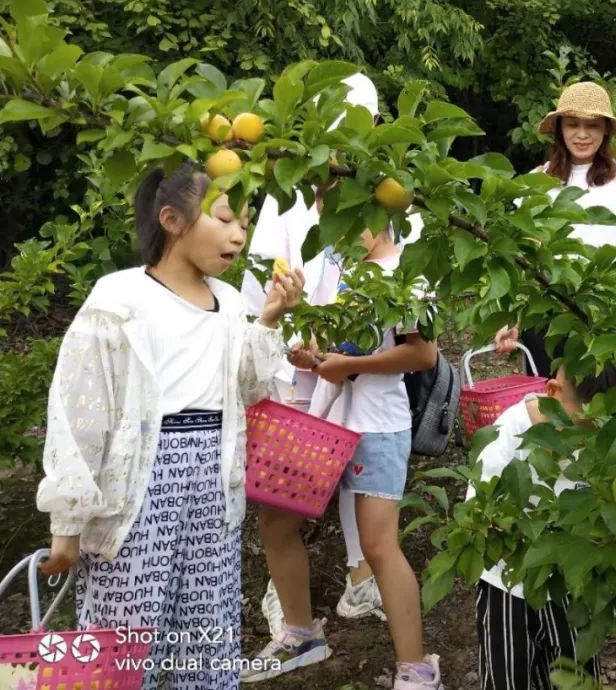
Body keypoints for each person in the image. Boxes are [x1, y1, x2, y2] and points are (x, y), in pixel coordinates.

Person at [36, 162, 304, 690]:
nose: (239, 235)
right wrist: (66, 525)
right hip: (139, 482)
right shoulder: (118, 299)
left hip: (213, 478)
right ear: (172, 220)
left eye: (244, 224)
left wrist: (269, 318)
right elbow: (79, 415)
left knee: (206, 621)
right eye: (226, 218)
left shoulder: (229, 304)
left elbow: (247, 389)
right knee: (126, 628)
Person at [242, 225, 443, 689]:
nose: (338, 229)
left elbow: (423, 355)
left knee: (378, 546)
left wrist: (347, 366)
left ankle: (415, 668)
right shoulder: (352, 270)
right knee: (276, 521)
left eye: (349, 216)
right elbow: (343, 351)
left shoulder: (409, 275)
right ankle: (300, 633)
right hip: (326, 422)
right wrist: (312, 359)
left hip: (376, 425)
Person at [243, 73, 388, 637]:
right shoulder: (292, 189)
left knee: (359, 463)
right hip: (301, 358)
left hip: (358, 358)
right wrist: (283, 336)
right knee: (290, 472)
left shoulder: (383, 192)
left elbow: (396, 272)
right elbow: (263, 270)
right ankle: (283, 591)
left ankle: (360, 574)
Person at [468, 359, 616, 690]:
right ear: (552, 393)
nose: (586, 439)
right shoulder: (509, 431)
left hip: (570, 580)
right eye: (580, 426)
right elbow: (479, 507)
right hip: (507, 582)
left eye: (596, 429)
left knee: (575, 670)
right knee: (507, 671)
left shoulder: (603, 441)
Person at [495, 80, 616, 375]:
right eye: (572, 124)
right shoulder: (538, 179)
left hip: (603, 315)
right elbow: (526, 259)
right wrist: (513, 317)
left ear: (605, 130)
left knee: (601, 407)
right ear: (559, 129)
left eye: (591, 126)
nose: (581, 134)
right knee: (549, 404)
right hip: (547, 316)